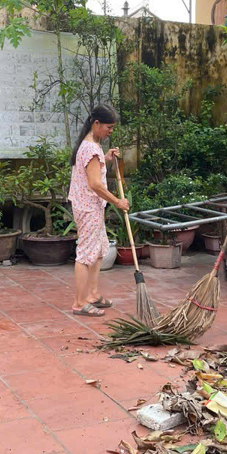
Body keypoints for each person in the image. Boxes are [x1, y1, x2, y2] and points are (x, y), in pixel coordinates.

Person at [68, 104, 128, 317]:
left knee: (100, 250)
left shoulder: (92, 145)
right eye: (109, 127)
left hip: (91, 206)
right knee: (86, 254)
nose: (111, 131)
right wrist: (117, 202)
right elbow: (95, 184)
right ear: (96, 123)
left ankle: (92, 294)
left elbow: (93, 171)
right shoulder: (91, 149)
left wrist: (107, 157)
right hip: (88, 207)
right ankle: (79, 302)